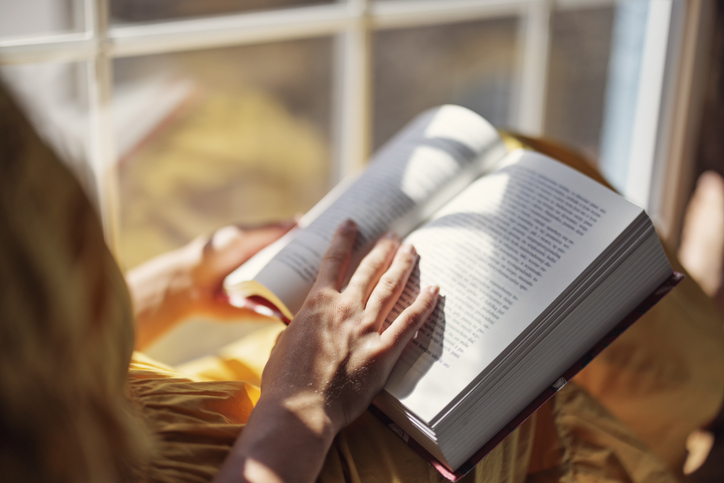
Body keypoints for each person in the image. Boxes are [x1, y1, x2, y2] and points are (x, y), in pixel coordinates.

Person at [2, 80, 724, 483]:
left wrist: (184, 278)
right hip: (289, 442)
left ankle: (688, 364)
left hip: (198, 411)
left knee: (521, 159)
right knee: (527, 394)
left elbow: (26, 352)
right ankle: (699, 399)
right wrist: (300, 408)